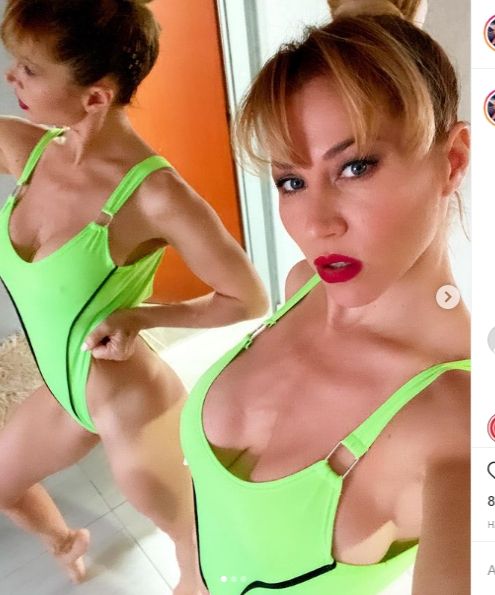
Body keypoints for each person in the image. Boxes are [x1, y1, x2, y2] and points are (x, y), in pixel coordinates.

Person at [180, 1, 471, 593]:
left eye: (355, 167)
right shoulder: (302, 286)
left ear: (452, 162)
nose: (315, 224)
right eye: (291, 181)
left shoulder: (461, 422)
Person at [0, 1, 268, 593]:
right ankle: (64, 542)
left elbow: (249, 298)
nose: (11, 76)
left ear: (95, 96)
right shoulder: (26, 149)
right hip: (64, 392)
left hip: (129, 403)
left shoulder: (154, 196)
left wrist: (142, 316)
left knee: (198, 548)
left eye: (29, 69)